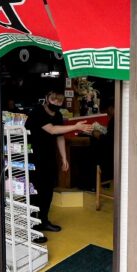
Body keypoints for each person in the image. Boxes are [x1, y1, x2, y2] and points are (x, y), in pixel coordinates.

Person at [25, 91, 92, 243]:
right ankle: (32, 227)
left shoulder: (58, 115)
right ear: (47, 98)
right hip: (33, 157)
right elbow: (52, 130)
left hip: (48, 157)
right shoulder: (37, 111)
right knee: (36, 190)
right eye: (54, 99)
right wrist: (75, 126)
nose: (56, 102)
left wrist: (64, 158)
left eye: (59, 100)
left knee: (48, 189)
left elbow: (59, 137)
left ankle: (44, 221)